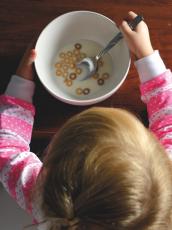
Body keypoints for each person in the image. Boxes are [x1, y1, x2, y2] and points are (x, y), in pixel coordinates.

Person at [1, 11, 172, 230]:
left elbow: (7, 147)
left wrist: (21, 83)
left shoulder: (42, 196)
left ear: (52, 160)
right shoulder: (166, 178)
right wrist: (146, 55)